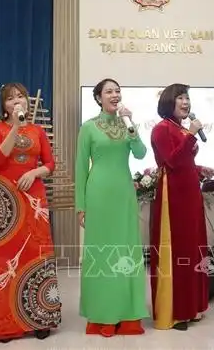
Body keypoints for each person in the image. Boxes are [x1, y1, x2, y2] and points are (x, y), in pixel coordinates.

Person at [0, 83, 60, 341]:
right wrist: (15, 126)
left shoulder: (37, 130)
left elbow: (50, 164)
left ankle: (40, 317)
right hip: (6, 196)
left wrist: (34, 173)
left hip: (33, 195)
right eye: (11, 98)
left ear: (27, 101)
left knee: (36, 252)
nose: (17, 101)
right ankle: (2, 322)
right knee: (4, 256)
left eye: (20, 96)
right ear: (4, 105)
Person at [75, 78, 148, 337]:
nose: (115, 95)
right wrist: (80, 205)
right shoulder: (88, 127)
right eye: (109, 91)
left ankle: (128, 314)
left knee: (126, 251)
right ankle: (102, 314)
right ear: (98, 98)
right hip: (98, 194)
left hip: (123, 194)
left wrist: (131, 125)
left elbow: (140, 153)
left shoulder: (127, 125)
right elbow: (81, 167)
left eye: (117, 91)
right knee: (101, 253)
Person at [150, 83, 214, 331]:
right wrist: (191, 135)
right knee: (177, 250)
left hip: (190, 192)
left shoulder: (180, 128)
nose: (186, 102)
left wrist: (199, 169)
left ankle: (191, 307)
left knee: (193, 247)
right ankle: (174, 312)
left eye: (187, 98)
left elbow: (185, 162)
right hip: (173, 195)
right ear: (169, 102)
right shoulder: (161, 129)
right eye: (180, 98)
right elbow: (172, 161)